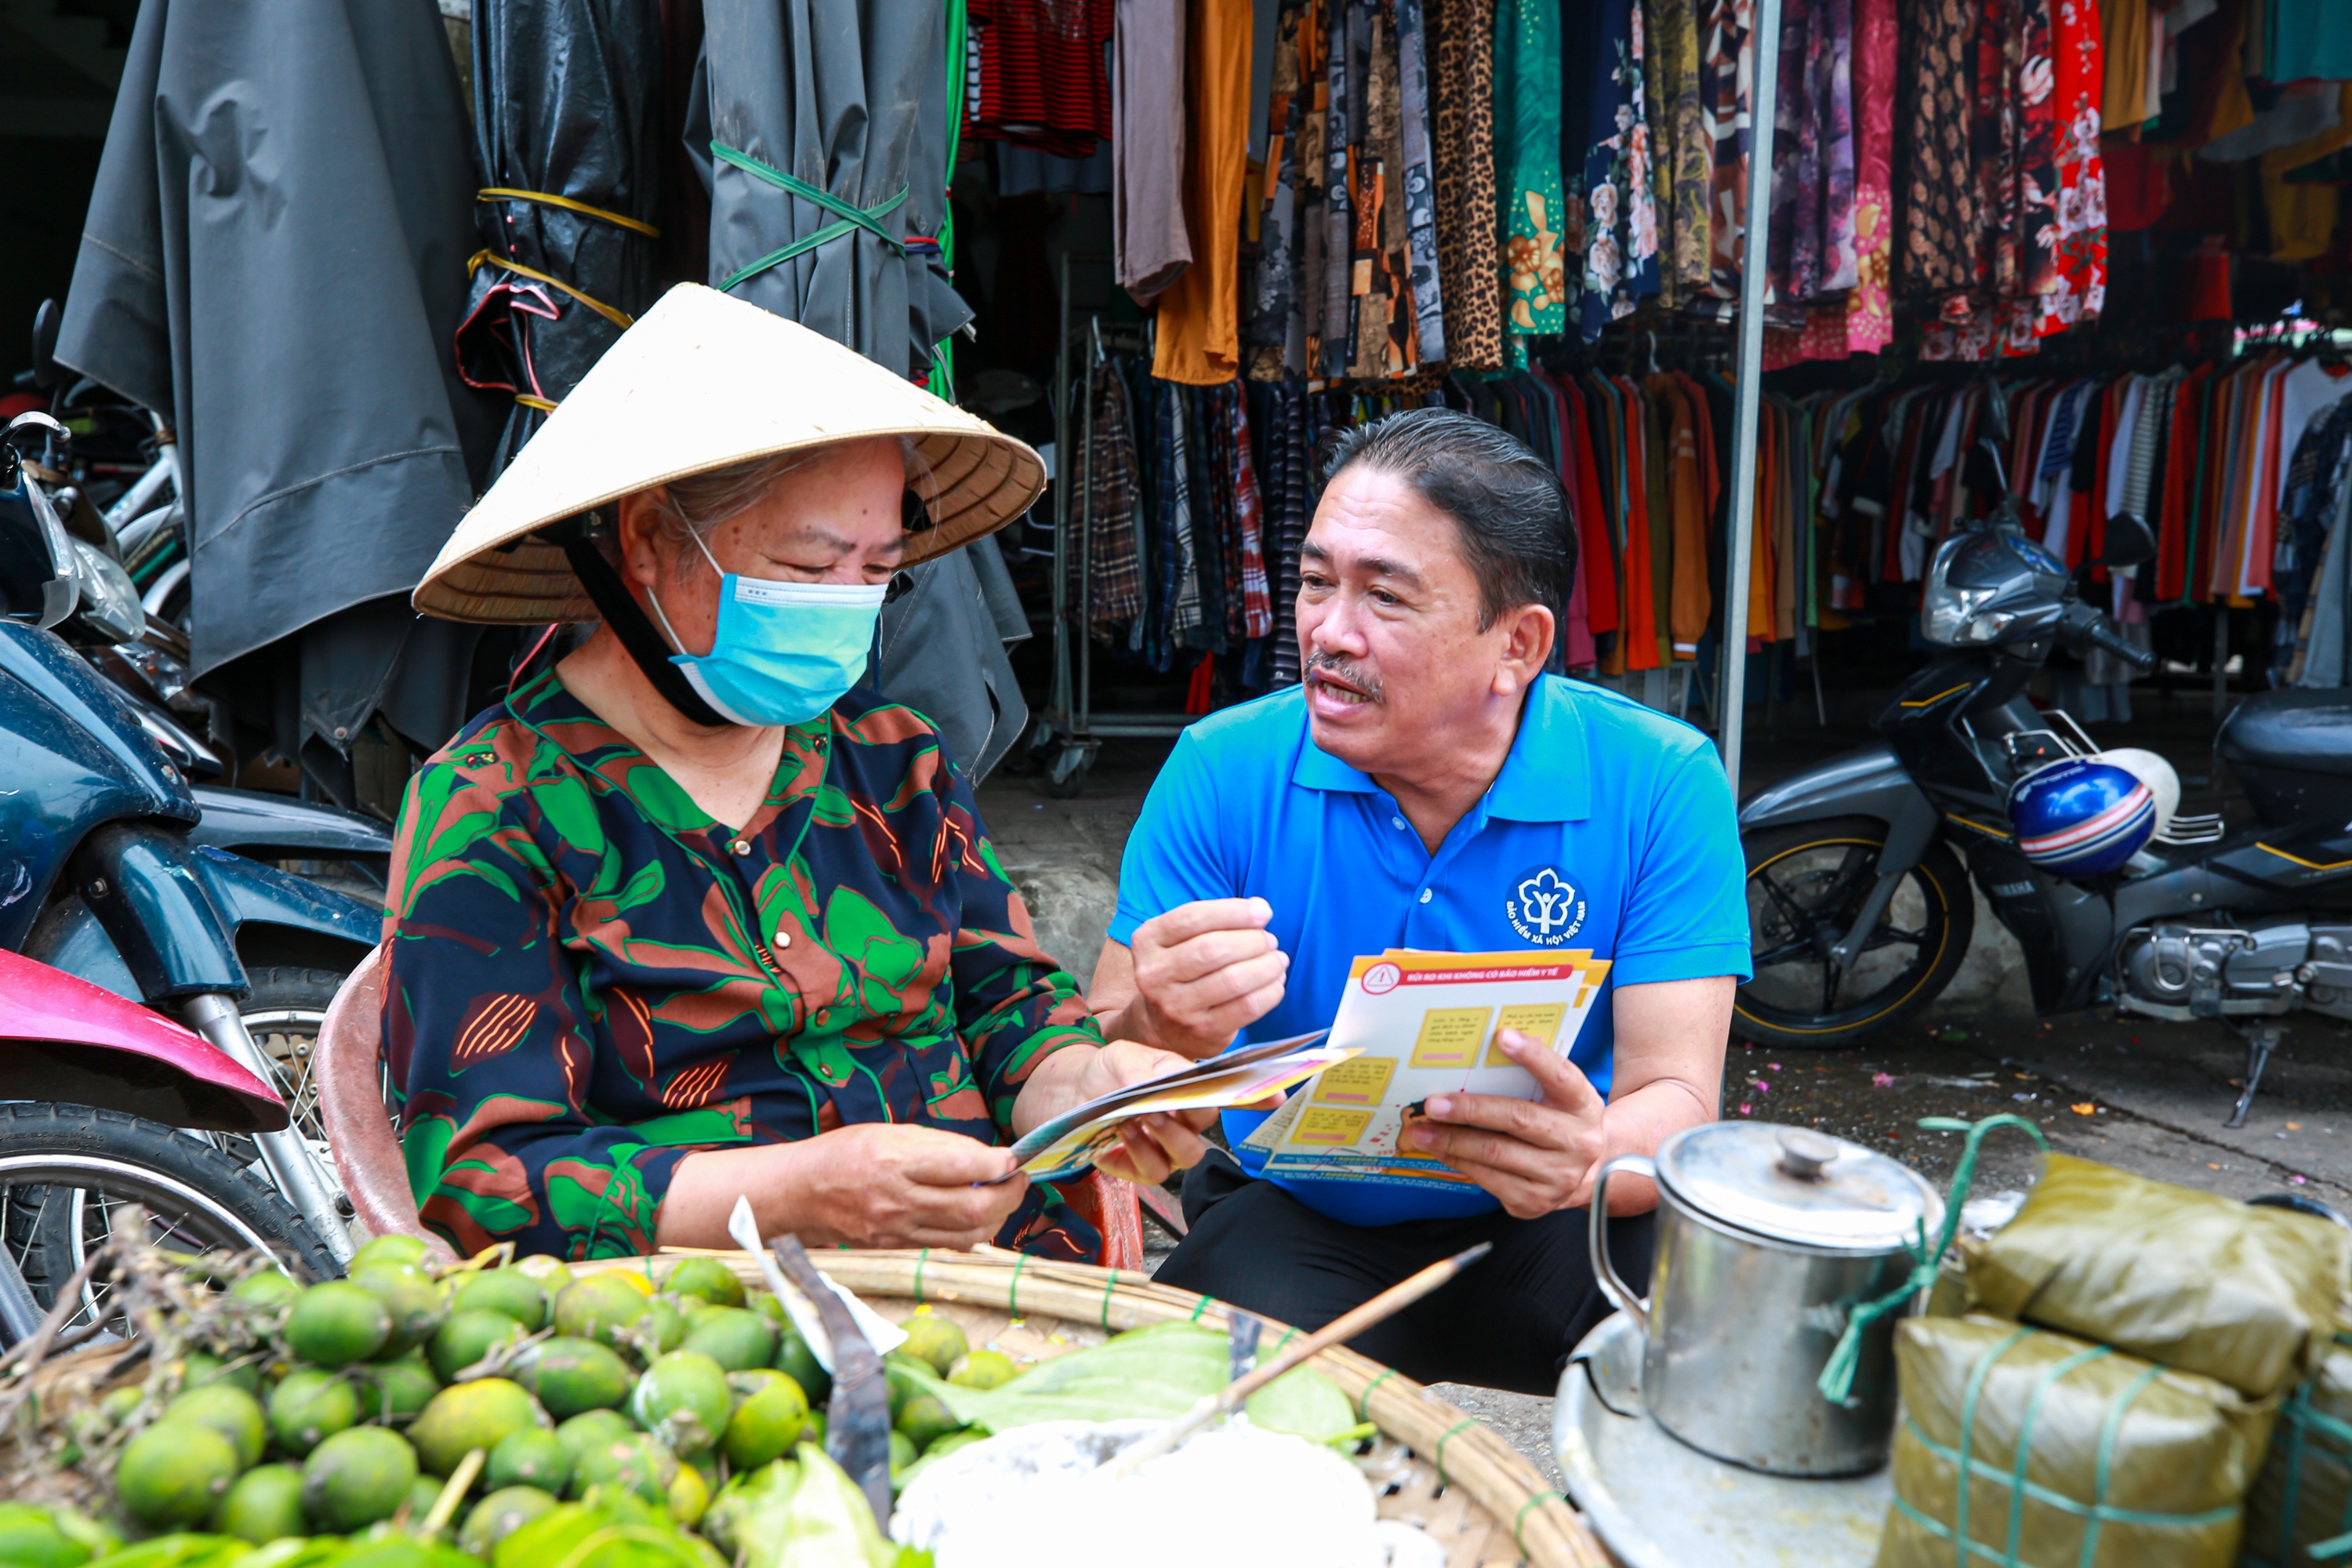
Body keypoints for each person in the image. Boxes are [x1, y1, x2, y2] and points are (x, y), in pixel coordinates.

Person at [387, 285, 1211, 1261]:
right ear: (649, 541)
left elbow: (1010, 1005)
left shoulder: (895, 758)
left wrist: (1090, 1089)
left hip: (998, 1287)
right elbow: (489, 1180)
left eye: (879, 571)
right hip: (705, 1340)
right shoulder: (500, 802)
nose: (850, 608)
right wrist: (797, 1193)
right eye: (812, 570)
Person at [1088, 407, 1749, 1393]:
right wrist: (1154, 1018)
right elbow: (1107, 1051)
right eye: (1316, 582)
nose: (1328, 632)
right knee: (1177, 1414)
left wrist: (1589, 1155)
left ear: (1517, 645)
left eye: (1385, 597)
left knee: (1736, 1366)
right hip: (1296, 1216)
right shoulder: (1224, 767)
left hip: (1559, 1217)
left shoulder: (1658, 780)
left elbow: (1678, 1099)